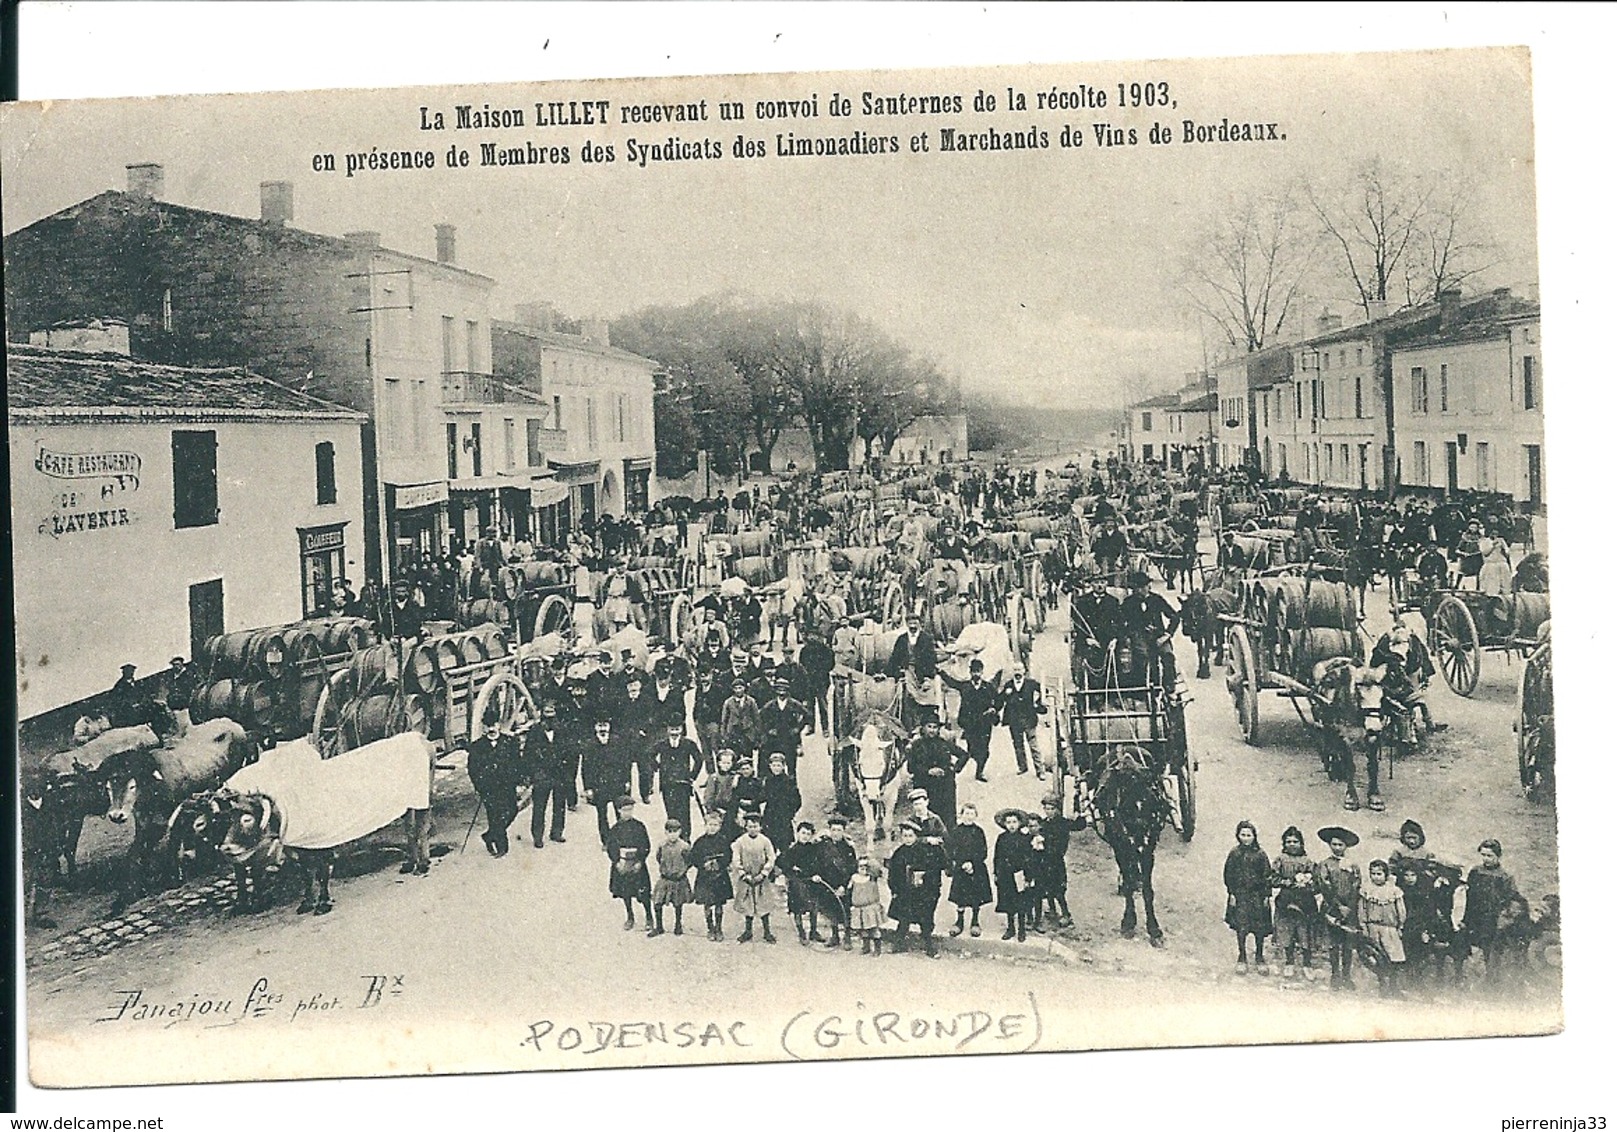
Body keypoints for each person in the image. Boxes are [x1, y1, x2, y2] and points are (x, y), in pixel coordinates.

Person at [1459, 838, 1528, 983]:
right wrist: (1466, 919)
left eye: (1489, 856)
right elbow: (1469, 897)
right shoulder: (1476, 871)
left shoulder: (1505, 877)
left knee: (1491, 953)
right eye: (1483, 855)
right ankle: (1464, 979)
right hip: (1475, 917)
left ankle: (1491, 984)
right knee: (1466, 948)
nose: (1486, 859)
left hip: (1493, 920)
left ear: (1498, 856)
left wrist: (1503, 920)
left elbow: (1511, 899)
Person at [886, 819, 945, 957]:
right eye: (905, 836)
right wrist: (894, 890)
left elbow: (937, 866)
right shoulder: (899, 853)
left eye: (910, 836)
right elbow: (893, 874)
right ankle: (899, 943)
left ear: (916, 837)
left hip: (924, 893)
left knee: (925, 919)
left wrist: (924, 877)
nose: (907, 839)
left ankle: (929, 946)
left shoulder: (926, 850)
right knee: (904, 919)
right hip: (905, 893)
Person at [1117, 569, 1182, 695]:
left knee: (1168, 655)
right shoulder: (1128, 602)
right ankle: (1145, 687)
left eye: (1143, 587)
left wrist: (1167, 635)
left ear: (1148, 586)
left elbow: (1175, 616)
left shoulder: (1157, 599)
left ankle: (1169, 686)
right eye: (1136, 588)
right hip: (1139, 636)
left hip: (1159, 636)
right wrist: (1127, 636)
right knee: (1143, 657)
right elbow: (1120, 622)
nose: (1140, 590)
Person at [467, 712, 522, 858]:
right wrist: (480, 787)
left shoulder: (510, 742)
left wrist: (518, 781)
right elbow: (473, 769)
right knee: (495, 815)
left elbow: (518, 763)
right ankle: (502, 847)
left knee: (512, 810)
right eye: (487, 726)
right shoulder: (477, 747)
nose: (491, 728)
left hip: (507, 785)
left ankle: (490, 835)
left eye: (494, 725)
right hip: (489, 788)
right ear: (484, 728)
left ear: (499, 725)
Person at [1223, 820, 1273, 975]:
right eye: (1242, 835)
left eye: (1248, 835)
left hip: (1257, 896)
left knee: (1259, 928)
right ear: (1238, 836)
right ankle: (1242, 956)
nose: (1245, 838)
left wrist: (1266, 896)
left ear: (1254, 836)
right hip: (1241, 896)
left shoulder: (1261, 855)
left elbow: (1267, 876)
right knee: (1241, 927)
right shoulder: (1234, 854)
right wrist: (1231, 893)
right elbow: (1228, 875)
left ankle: (1259, 955)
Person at [1270, 825, 1320, 980]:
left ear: (1301, 844)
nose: (1292, 844)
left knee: (1305, 932)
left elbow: (1318, 883)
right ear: (1284, 844)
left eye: (1295, 842)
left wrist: (1307, 884)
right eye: (1288, 841)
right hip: (1286, 900)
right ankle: (1289, 962)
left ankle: (1307, 963)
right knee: (1287, 931)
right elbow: (1272, 879)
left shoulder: (1308, 862)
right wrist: (1288, 882)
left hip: (1305, 902)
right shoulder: (1280, 860)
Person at [1316, 825, 1362, 990]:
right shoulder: (1325, 865)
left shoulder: (1353, 865)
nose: (1337, 848)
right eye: (1334, 844)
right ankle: (1335, 975)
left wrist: (1349, 906)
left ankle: (1346, 976)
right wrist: (1338, 905)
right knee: (1334, 943)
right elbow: (1324, 886)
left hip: (1349, 910)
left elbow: (1356, 885)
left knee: (1348, 944)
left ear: (1346, 847)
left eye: (1340, 845)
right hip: (1332, 908)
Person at [940, 658, 998, 783]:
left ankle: (979, 772)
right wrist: (941, 672)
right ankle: (963, 763)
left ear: (982, 672)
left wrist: (993, 708)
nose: (976, 674)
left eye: (978, 672)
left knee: (985, 749)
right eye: (974, 672)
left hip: (985, 723)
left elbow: (998, 700)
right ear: (970, 672)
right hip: (970, 724)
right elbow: (952, 682)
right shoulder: (965, 686)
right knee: (972, 749)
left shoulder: (988, 687)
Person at [1358, 859, 1407, 997]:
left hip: (1390, 929)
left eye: (1379, 874)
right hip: (1374, 928)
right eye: (1373, 874)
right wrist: (1364, 926)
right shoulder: (1367, 890)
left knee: (1394, 957)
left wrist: (1400, 926)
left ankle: (1394, 986)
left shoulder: (1394, 891)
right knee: (1378, 958)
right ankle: (1382, 986)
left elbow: (1401, 910)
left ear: (1386, 875)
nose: (1376, 877)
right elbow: (1362, 910)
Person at [525, 700, 570, 846]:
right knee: (539, 807)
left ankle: (557, 832)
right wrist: (533, 774)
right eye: (546, 713)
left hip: (559, 774)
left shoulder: (562, 730)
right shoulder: (534, 731)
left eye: (552, 713)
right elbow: (528, 754)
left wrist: (567, 771)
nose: (549, 717)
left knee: (560, 805)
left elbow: (569, 753)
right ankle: (537, 836)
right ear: (541, 714)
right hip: (542, 774)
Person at [904, 712, 962, 828]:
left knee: (947, 818)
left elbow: (964, 755)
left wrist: (953, 769)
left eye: (935, 727)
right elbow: (911, 768)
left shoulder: (944, 743)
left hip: (945, 786)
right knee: (926, 818)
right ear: (923, 728)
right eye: (929, 727)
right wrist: (928, 771)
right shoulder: (916, 745)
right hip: (925, 786)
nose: (932, 730)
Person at [581, 717, 632, 846]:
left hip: (616, 783)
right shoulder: (589, 744)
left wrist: (627, 781)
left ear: (609, 726)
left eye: (605, 725)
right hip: (599, 786)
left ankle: (622, 839)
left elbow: (625, 763)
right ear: (595, 728)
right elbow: (586, 768)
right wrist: (588, 788)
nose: (603, 728)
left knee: (620, 813)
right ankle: (606, 841)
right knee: (602, 815)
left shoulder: (618, 741)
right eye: (599, 725)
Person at [730, 811, 779, 944]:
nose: (753, 829)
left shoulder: (765, 841)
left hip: (761, 878)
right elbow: (736, 859)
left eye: (755, 826)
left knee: (764, 904)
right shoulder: (740, 842)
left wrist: (763, 873)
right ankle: (748, 931)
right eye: (750, 826)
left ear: (760, 827)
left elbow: (771, 858)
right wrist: (742, 874)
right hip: (746, 878)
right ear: (746, 827)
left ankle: (767, 931)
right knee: (748, 904)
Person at [946, 801, 992, 938]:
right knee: (960, 897)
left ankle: (975, 922)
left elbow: (983, 851)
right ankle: (959, 922)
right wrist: (961, 863)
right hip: (961, 869)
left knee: (975, 896)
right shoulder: (956, 831)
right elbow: (952, 849)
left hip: (976, 868)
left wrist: (972, 863)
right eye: (966, 813)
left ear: (976, 816)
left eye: (972, 814)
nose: (969, 817)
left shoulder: (978, 831)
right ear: (961, 815)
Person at [606, 798, 654, 931]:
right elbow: (611, 848)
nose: (628, 812)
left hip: (637, 864)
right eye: (625, 810)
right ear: (619, 810)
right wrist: (616, 863)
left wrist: (640, 861)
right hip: (622, 864)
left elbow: (645, 845)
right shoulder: (615, 829)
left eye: (630, 809)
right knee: (625, 892)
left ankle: (649, 916)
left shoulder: (639, 826)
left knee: (643, 893)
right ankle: (630, 916)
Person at [776, 821, 827, 946]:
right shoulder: (792, 850)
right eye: (803, 833)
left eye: (808, 834)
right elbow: (781, 863)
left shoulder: (813, 849)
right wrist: (791, 869)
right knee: (797, 908)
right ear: (798, 833)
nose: (805, 836)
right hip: (797, 883)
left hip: (811, 882)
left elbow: (818, 864)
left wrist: (816, 875)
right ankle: (801, 932)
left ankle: (814, 931)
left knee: (814, 907)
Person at [814, 815, 859, 951]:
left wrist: (843, 886)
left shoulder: (848, 848)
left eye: (839, 830)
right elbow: (818, 863)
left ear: (843, 831)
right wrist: (818, 876)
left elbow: (852, 868)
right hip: (827, 884)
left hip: (843, 885)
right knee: (830, 910)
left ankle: (847, 937)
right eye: (833, 830)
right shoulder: (823, 846)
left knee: (845, 911)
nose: (835, 833)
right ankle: (834, 936)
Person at [997, 663, 1049, 779]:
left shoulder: (1031, 683)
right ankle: (1022, 767)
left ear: (1024, 671)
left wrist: (1038, 703)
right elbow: (1000, 700)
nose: (1017, 672)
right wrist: (997, 706)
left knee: (1033, 745)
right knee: (1018, 745)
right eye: (1015, 670)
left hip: (1028, 719)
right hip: (1014, 720)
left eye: (1019, 670)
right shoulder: (1009, 685)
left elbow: (1044, 690)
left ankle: (1040, 770)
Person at [690, 810, 735, 941]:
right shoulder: (699, 842)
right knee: (707, 903)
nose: (712, 827)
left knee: (719, 903)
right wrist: (703, 864)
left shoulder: (723, 840)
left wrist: (719, 863)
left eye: (715, 825)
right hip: (705, 877)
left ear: (719, 826)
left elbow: (728, 855)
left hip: (719, 876)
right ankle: (710, 927)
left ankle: (719, 928)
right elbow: (694, 857)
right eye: (710, 824)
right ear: (705, 825)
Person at [653, 720, 702, 838]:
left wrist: (692, 776)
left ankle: (685, 838)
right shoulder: (662, 744)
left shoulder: (688, 744)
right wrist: (658, 767)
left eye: (677, 729)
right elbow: (648, 755)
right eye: (672, 729)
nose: (674, 732)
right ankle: (672, 838)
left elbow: (699, 759)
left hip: (683, 784)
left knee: (685, 813)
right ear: (668, 730)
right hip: (667, 784)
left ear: (681, 729)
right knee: (671, 812)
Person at [993, 808, 1034, 942]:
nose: (1011, 825)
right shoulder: (1002, 838)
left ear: (1019, 823)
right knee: (1008, 902)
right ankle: (1011, 928)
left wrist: (1028, 877)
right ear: (1004, 824)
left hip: (1019, 875)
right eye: (1008, 822)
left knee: (1021, 902)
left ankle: (1021, 929)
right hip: (1005, 875)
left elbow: (1029, 859)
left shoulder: (1024, 838)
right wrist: (996, 873)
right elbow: (997, 857)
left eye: (1014, 822)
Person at [758, 676, 810, 780]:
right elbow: (760, 719)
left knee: (791, 765)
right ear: (775, 691)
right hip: (774, 739)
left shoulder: (794, 704)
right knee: (775, 764)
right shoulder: (770, 705)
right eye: (779, 689)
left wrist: (798, 728)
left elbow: (807, 715)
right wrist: (769, 730)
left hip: (790, 739)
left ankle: (791, 787)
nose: (781, 692)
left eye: (784, 690)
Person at [650, 819, 693, 938]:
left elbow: (689, 861)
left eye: (675, 831)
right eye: (670, 831)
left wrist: (681, 871)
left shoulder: (684, 846)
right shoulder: (662, 845)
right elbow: (659, 858)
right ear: (665, 832)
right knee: (657, 902)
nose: (672, 834)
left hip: (678, 879)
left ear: (680, 832)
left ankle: (678, 924)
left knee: (678, 903)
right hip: (665, 878)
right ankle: (659, 927)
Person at [1037, 795, 1074, 929]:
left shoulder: (1063, 823)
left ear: (1057, 809)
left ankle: (1066, 914)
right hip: (1045, 860)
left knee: (1058, 889)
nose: (1048, 811)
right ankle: (1052, 910)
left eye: (1051, 809)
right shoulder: (1044, 823)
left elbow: (1077, 826)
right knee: (1047, 887)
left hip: (1056, 861)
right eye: (1046, 809)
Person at [796, 630, 836, 737]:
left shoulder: (827, 650)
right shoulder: (805, 650)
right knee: (809, 706)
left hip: (821, 681)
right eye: (811, 635)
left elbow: (831, 664)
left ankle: (825, 728)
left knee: (823, 705)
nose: (813, 638)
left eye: (816, 636)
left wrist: (820, 671)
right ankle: (810, 726)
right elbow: (801, 664)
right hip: (809, 681)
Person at [760, 751, 802, 853]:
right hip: (770, 816)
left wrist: (790, 813)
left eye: (778, 765)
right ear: (770, 766)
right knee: (770, 845)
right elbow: (763, 796)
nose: (776, 768)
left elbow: (797, 801)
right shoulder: (768, 781)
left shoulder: (789, 781)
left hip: (784, 817)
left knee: (785, 845)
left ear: (783, 766)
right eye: (773, 765)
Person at [719, 676, 762, 765]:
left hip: (748, 735)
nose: (738, 690)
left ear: (744, 688)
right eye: (736, 688)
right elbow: (724, 721)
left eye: (740, 688)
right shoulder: (728, 702)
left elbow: (756, 719)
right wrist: (724, 736)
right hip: (733, 735)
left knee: (748, 760)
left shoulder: (751, 701)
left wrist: (756, 736)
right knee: (734, 759)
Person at [849, 856, 886, 955]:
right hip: (858, 908)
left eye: (866, 867)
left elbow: (877, 868)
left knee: (873, 928)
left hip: (870, 907)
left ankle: (877, 948)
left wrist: (869, 859)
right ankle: (866, 947)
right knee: (862, 929)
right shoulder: (854, 878)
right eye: (861, 866)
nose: (863, 869)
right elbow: (849, 891)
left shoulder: (872, 878)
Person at [163, 655, 199, 737]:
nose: (176, 667)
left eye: (177, 664)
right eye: (174, 665)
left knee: (185, 722)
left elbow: (190, 688)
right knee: (177, 723)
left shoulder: (187, 675)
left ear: (182, 664)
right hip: (174, 705)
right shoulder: (172, 677)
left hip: (184, 704)